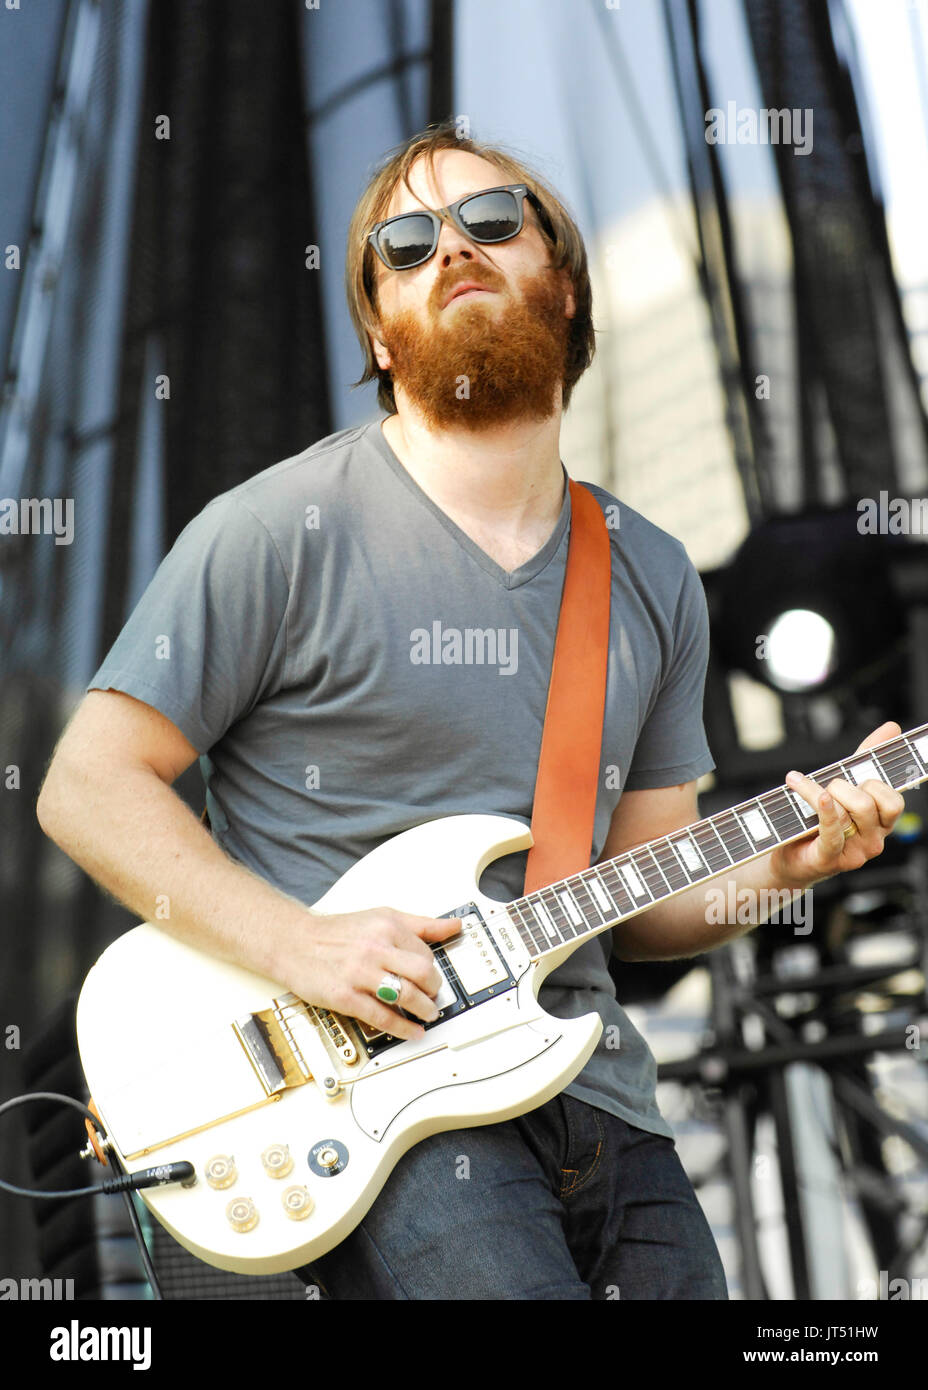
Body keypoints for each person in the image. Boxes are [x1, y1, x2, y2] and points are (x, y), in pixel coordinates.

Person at [36, 121, 905, 1300]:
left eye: (492, 221)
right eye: (405, 243)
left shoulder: (646, 572)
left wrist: (787, 861)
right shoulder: (273, 531)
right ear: (380, 339)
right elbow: (86, 784)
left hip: (599, 1090)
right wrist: (302, 943)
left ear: (568, 292)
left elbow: (644, 895)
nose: (449, 248)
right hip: (382, 1101)